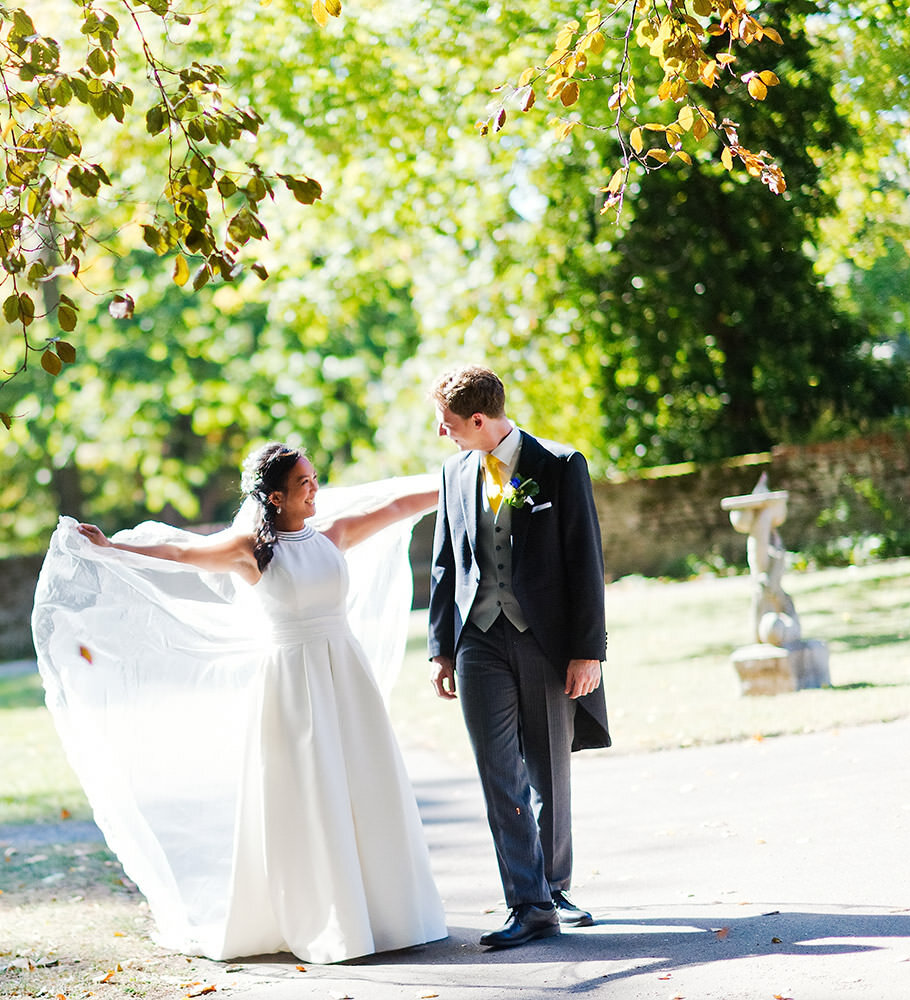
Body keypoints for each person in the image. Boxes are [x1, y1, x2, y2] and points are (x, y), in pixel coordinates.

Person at [32, 443, 447, 964]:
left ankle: (385, 914)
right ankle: (322, 916)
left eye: (315, 479)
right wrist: (111, 548)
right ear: (275, 497)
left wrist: (461, 476)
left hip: (346, 675)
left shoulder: (332, 536)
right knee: (310, 790)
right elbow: (181, 554)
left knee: (364, 780)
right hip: (292, 683)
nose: (316, 488)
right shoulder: (249, 549)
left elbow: (392, 509)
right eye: (304, 483)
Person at [426, 364, 611, 950]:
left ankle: (553, 888)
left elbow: (586, 561)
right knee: (496, 771)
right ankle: (527, 902)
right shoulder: (454, 473)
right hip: (478, 638)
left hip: (545, 639)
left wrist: (588, 651)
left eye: (448, 423)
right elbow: (443, 564)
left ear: (479, 420)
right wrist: (441, 649)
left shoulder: (558, 465)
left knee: (549, 768)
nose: (442, 433)